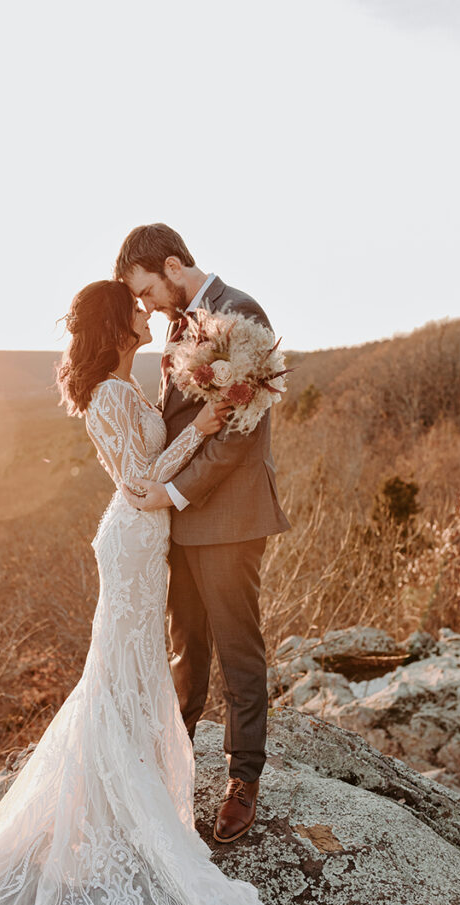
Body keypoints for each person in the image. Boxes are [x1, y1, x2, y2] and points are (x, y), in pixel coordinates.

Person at [0, 280, 377, 905]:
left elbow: (150, 475)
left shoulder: (123, 383)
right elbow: (140, 484)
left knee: (134, 672)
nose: (148, 314)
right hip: (135, 539)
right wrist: (203, 426)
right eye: (135, 307)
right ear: (114, 323)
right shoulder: (110, 397)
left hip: (148, 541)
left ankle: (131, 788)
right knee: (121, 673)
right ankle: (117, 802)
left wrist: (201, 419)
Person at [114, 224, 289, 843]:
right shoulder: (177, 325)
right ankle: (177, 762)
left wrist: (175, 490)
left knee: (238, 648)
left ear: (171, 265)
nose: (146, 306)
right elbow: (181, 420)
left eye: (146, 291)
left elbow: (242, 433)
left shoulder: (239, 313)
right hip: (178, 518)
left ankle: (243, 779)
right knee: (186, 647)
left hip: (230, 516)